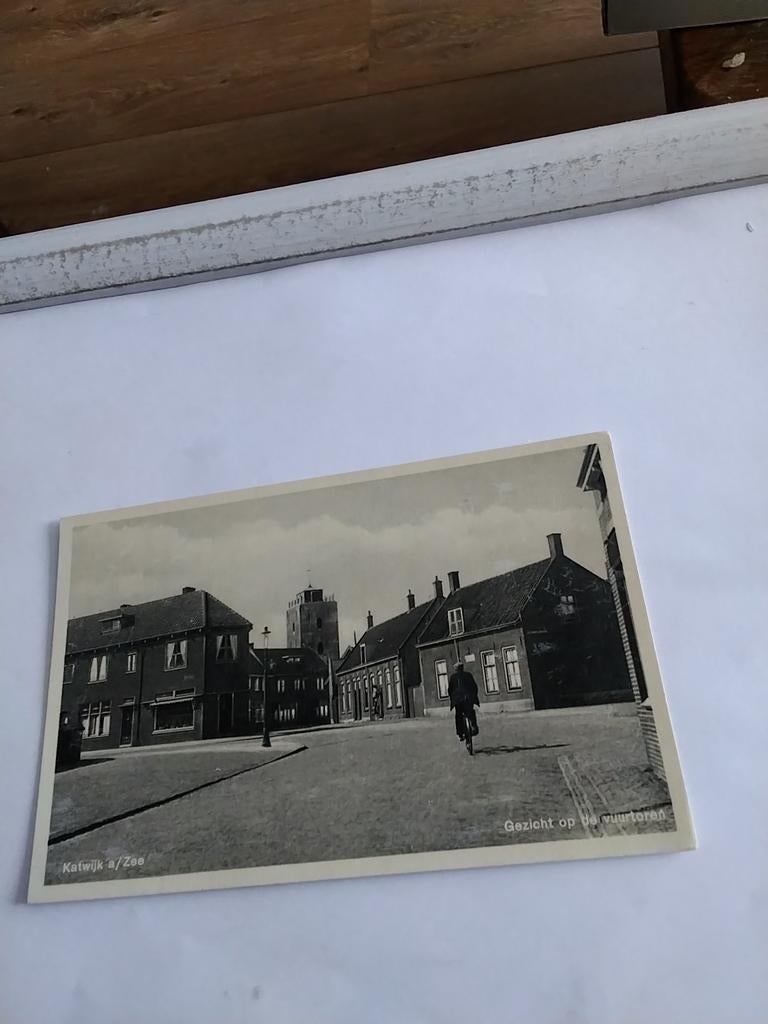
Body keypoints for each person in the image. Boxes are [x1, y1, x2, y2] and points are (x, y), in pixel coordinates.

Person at [448, 661, 479, 741]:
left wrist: (452, 698)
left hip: (458, 701)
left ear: (455, 669)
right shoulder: (468, 675)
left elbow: (450, 690)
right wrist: (474, 696)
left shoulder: (453, 677)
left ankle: (460, 734)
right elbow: (474, 687)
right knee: (471, 712)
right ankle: (474, 726)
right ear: (462, 668)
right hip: (468, 698)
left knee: (458, 715)